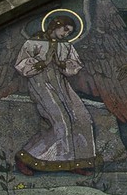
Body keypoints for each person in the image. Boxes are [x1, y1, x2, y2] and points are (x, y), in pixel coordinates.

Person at [14, 12, 99, 175]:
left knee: (82, 118)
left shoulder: (65, 46)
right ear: (56, 25)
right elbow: (21, 64)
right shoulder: (34, 42)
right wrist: (41, 64)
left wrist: (63, 64)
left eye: (69, 33)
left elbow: (74, 65)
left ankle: (76, 162)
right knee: (61, 122)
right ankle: (25, 158)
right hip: (41, 84)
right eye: (65, 30)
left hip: (61, 85)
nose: (66, 34)